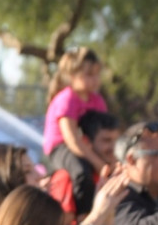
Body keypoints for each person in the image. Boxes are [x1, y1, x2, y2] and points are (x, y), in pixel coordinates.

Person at [42, 48, 108, 215]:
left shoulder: (97, 100)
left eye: (97, 74)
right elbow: (72, 140)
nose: (95, 80)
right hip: (61, 146)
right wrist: (98, 163)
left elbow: (105, 131)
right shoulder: (67, 99)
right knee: (81, 173)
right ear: (73, 76)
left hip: (86, 147)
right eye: (89, 75)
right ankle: (82, 217)